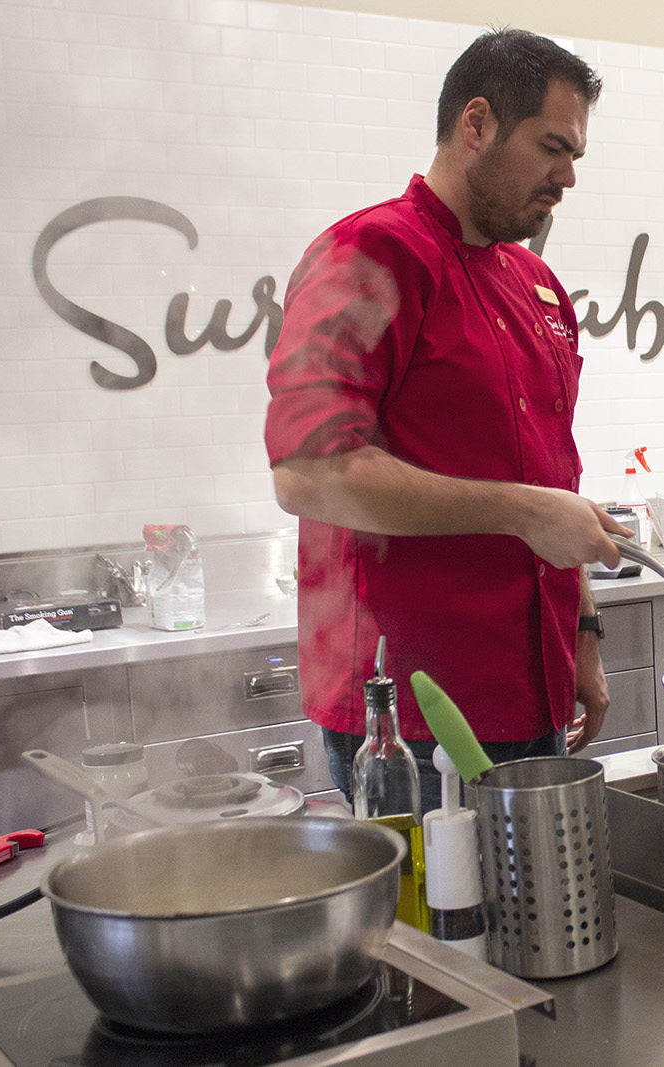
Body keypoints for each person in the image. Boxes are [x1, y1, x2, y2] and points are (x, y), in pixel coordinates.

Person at [264, 29, 626, 808]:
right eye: (551, 148)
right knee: (434, 926)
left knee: (530, 923)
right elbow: (308, 472)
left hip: (534, 687)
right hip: (412, 714)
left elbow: (550, 477)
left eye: (576, 157)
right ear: (477, 124)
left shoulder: (537, 286)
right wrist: (527, 512)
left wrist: (584, 637)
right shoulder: (366, 255)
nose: (566, 179)